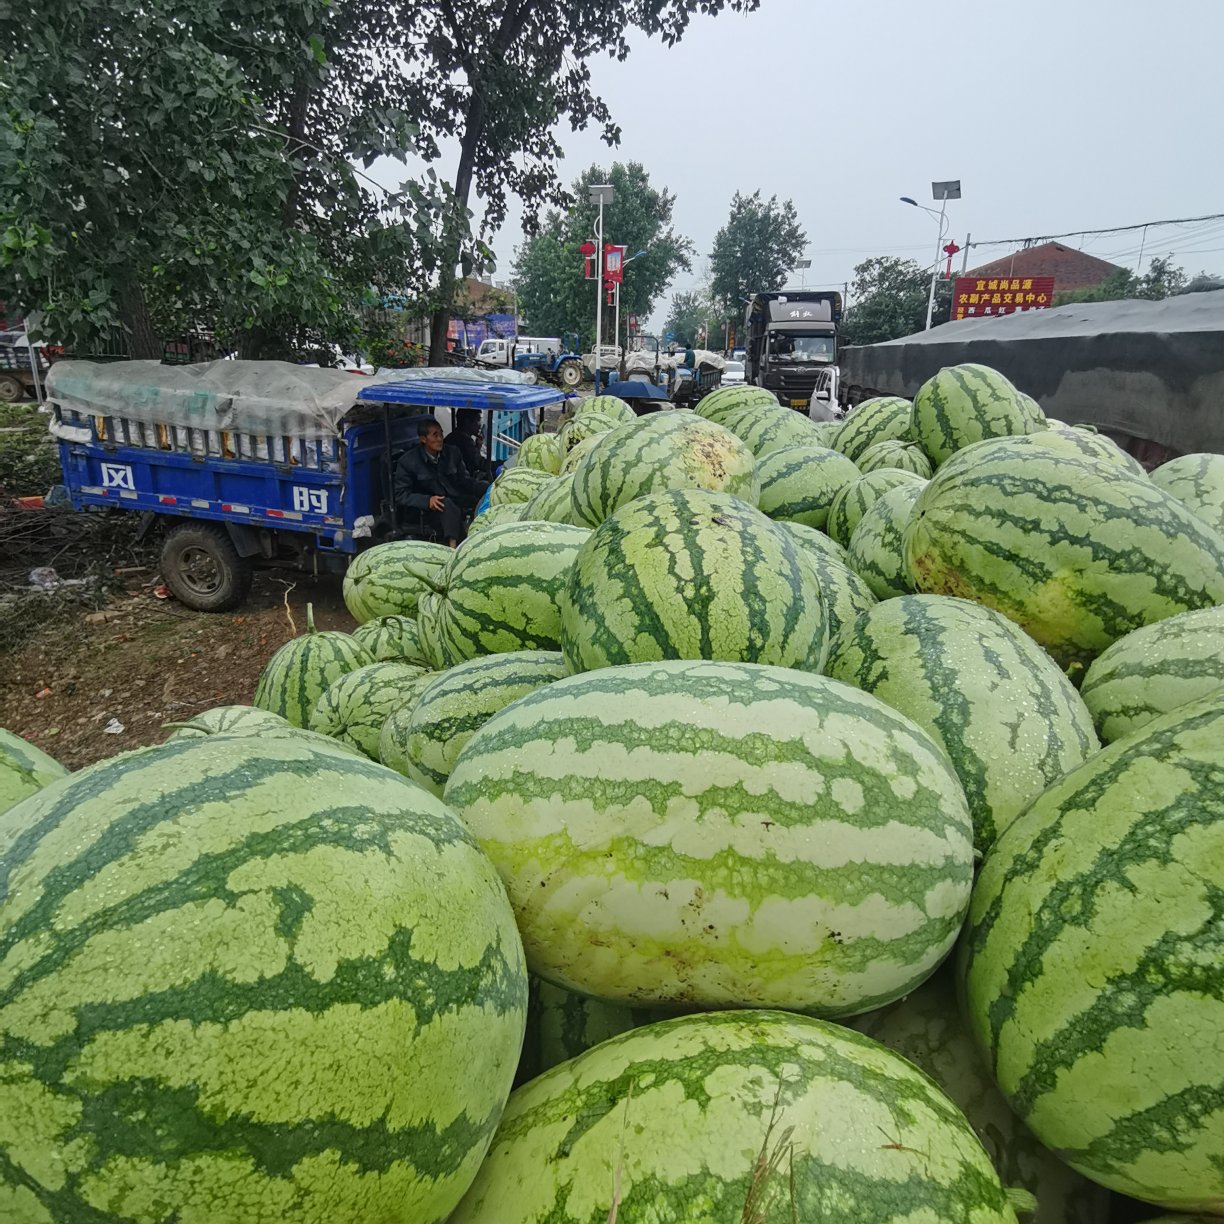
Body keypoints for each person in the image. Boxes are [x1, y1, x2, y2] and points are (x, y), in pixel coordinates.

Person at [394, 417, 488, 546]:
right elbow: (401, 495)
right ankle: (453, 548)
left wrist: (487, 488)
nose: (440, 439)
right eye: (435, 435)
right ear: (423, 439)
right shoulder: (408, 462)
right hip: (424, 511)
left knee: (481, 495)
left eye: (441, 434)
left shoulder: (452, 453)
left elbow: (464, 480)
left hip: (453, 499)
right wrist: (427, 501)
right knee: (446, 504)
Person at [445, 408, 490, 479]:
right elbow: (479, 463)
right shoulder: (464, 440)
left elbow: (473, 460)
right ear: (467, 422)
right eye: (478, 420)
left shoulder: (453, 436)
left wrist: (478, 447)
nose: (480, 425)